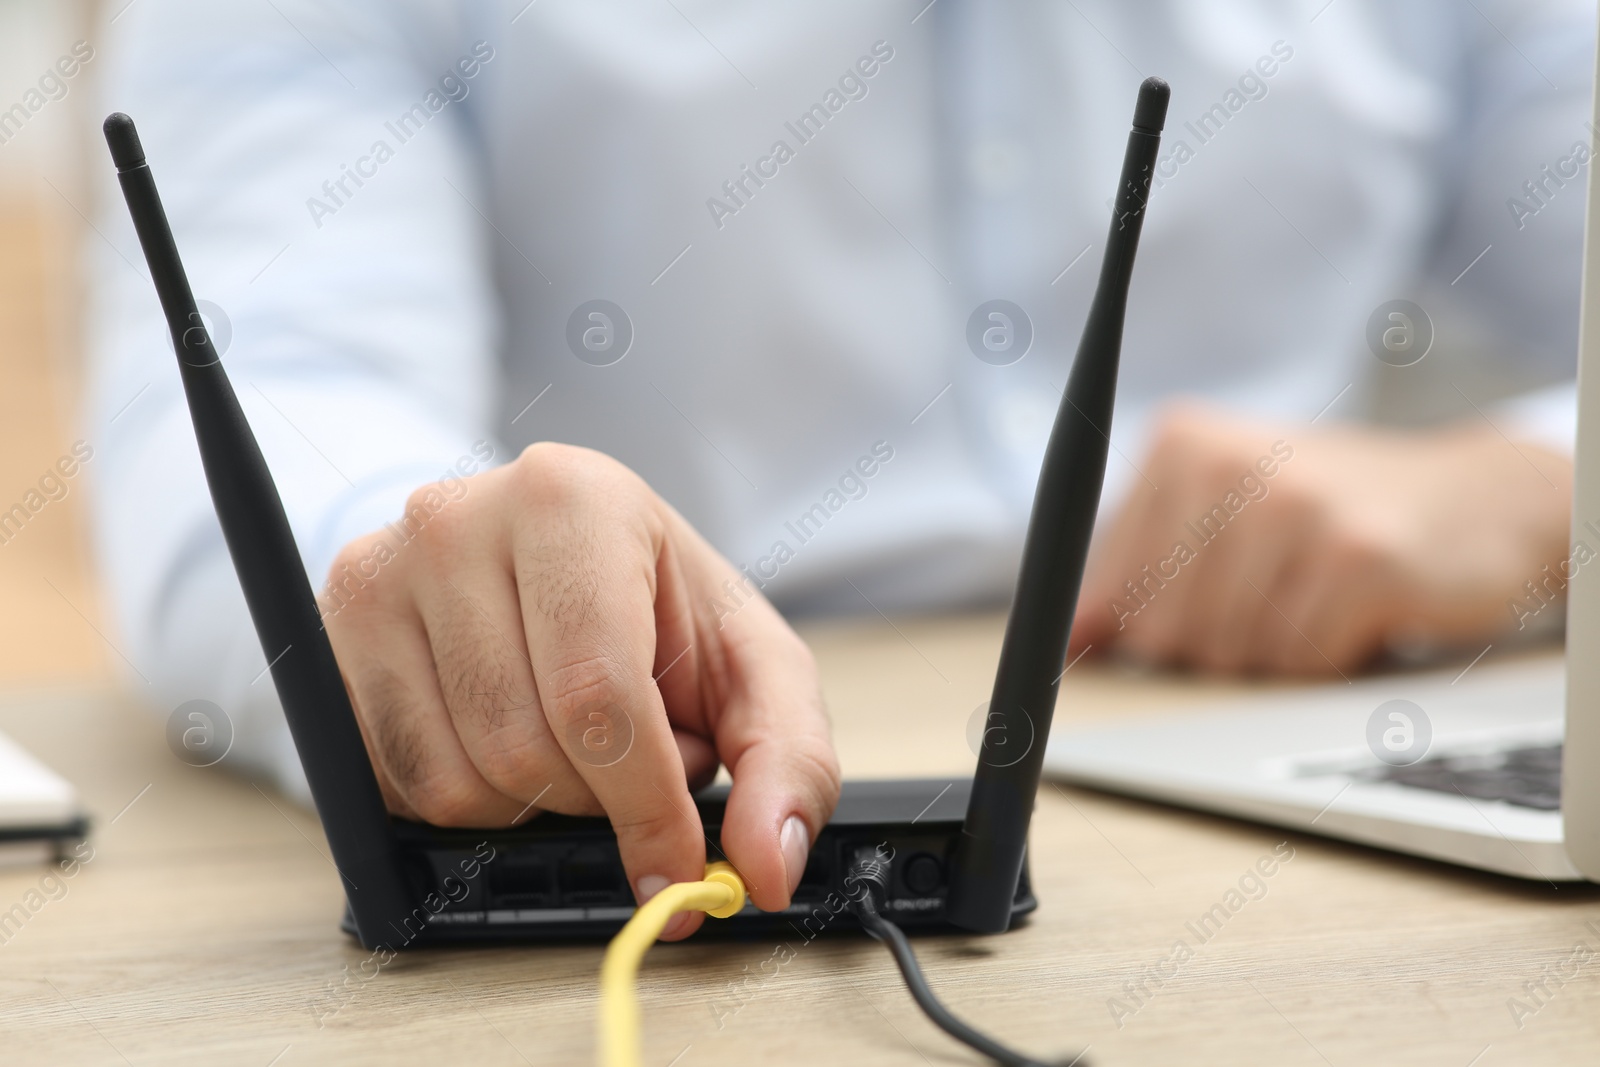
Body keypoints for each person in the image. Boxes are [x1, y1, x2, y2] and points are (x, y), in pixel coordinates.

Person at [87, 0, 1592, 937]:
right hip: (636, 766)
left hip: (1275, 734)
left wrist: (1545, 487)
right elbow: (265, 368)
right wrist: (423, 591)